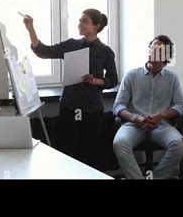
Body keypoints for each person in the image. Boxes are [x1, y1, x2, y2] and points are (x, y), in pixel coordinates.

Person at [23, 9, 118, 169]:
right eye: (79, 20)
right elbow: (43, 52)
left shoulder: (105, 52)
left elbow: (113, 79)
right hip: (69, 106)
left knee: (90, 154)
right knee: (67, 152)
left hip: (92, 110)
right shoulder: (72, 44)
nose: (80, 24)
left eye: (84, 21)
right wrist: (31, 29)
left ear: (96, 26)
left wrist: (95, 81)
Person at [112, 35, 183, 179]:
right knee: (119, 143)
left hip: (161, 124)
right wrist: (135, 118)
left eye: (158, 50)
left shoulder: (172, 78)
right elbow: (118, 106)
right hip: (133, 124)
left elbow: (181, 106)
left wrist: (160, 116)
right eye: (152, 48)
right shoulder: (131, 75)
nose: (153, 51)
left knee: (180, 144)